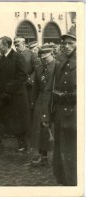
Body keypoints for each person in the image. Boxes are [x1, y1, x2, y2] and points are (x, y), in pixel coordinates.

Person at [0, 36, 31, 154]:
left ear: (6, 46)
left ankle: (23, 145)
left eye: (0, 45)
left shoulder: (17, 57)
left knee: (18, 121)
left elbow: (23, 76)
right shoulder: (3, 58)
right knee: (0, 119)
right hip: (4, 96)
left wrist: (8, 88)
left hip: (16, 96)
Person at [52, 28, 76, 186]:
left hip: (74, 112)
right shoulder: (62, 60)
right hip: (61, 112)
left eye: (71, 43)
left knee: (72, 150)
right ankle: (65, 181)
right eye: (64, 43)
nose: (66, 46)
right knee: (62, 149)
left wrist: (66, 96)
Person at [30, 44, 56, 166]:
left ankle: (57, 157)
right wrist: (33, 102)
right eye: (42, 58)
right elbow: (35, 88)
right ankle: (43, 156)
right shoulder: (39, 68)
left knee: (52, 128)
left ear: (51, 54)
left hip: (53, 100)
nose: (44, 60)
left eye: (46, 57)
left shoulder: (58, 66)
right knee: (39, 129)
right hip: (41, 101)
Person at [14, 37, 40, 118]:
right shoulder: (15, 55)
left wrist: (30, 80)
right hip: (18, 84)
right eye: (15, 46)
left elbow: (37, 69)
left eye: (18, 45)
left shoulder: (32, 54)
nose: (16, 47)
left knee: (29, 106)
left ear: (23, 44)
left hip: (28, 85)